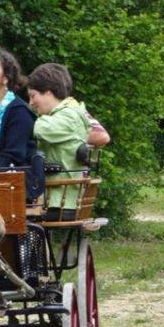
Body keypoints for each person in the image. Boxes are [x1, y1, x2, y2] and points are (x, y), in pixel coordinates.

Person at [27, 62, 107, 221]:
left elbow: (36, 129)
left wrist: (15, 119)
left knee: (11, 215)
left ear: (48, 93)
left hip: (59, 203)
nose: (30, 102)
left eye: (33, 96)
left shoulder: (67, 117)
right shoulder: (68, 113)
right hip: (56, 199)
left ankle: (26, 246)